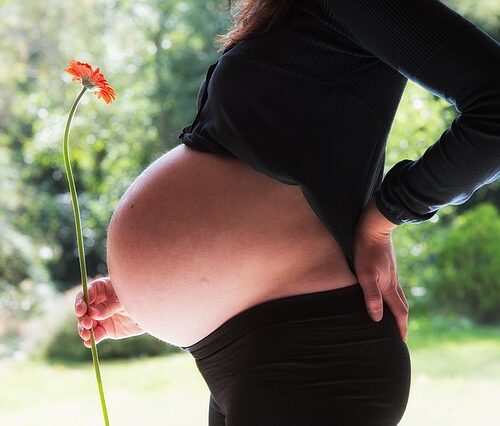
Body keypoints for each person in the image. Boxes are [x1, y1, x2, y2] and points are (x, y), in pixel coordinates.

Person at [75, 0, 500, 424]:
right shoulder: (286, 17)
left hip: (311, 357)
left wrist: (386, 215)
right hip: (247, 349)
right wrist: (150, 300)